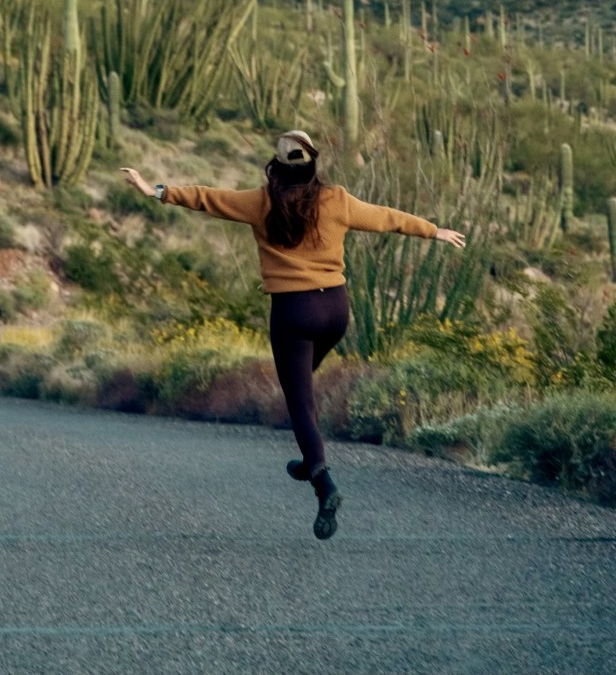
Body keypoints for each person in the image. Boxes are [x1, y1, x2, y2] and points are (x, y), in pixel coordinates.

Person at [121, 130, 467, 540]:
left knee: (299, 402)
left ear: (277, 167)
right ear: (313, 165)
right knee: (303, 393)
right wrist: (433, 230)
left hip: (293, 312)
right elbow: (386, 217)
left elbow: (206, 198)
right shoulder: (336, 199)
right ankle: (308, 461)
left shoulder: (260, 202)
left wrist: (156, 190)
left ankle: (323, 483)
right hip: (335, 311)